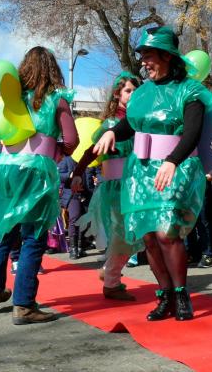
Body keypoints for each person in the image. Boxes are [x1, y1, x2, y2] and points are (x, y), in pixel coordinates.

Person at [94, 27, 212, 321]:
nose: (144, 63)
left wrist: (173, 160)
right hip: (140, 170)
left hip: (176, 165)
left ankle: (181, 293)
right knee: (148, 236)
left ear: (167, 56)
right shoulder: (142, 93)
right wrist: (112, 132)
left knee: (166, 232)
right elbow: (132, 124)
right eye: (142, 57)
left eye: (149, 56)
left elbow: (192, 132)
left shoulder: (190, 90)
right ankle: (164, 296)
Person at [0, 46, 79, 325]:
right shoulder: (57, 100)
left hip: (3, 169)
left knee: (4, 232)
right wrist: (54, 151)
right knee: (33, 236)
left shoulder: (11, 100)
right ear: (52, 70)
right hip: (35, 172)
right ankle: (23, 304)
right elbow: (71, 140)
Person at [72, 71, 141, 300]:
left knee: (132, 235)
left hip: (134, 185)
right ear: (117, 95)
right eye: (128, 90)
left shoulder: (139, 120)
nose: (132, 94)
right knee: (123, 235)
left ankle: (110, 272)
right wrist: (78, 173)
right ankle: (111, 281)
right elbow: (92, 150)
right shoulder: (112, 123)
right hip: (117, 187)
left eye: (135, 90)